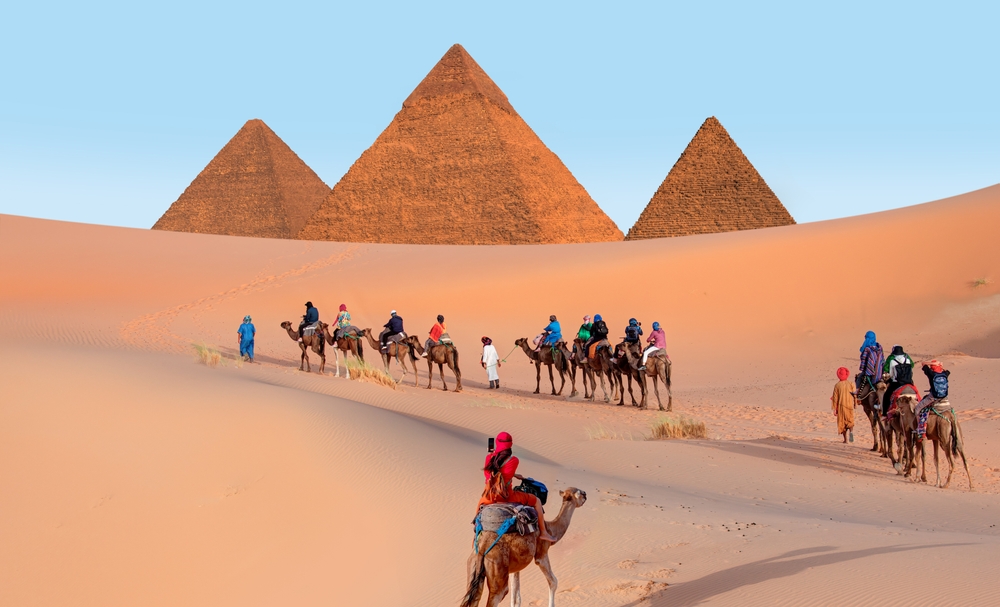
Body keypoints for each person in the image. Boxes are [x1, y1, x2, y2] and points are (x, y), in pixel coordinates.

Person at [478, 432, 557, 543]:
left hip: (489, 496)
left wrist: (492, 454)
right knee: (537, 501)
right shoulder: (514, 460)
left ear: (497, 443)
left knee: (478, 512)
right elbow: (505, 474)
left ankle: (475, 537)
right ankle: (544, 533)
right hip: (507, 496)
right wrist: (515, 475)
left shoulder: (489, 459)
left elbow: (494, 474)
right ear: (510, 444)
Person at [881, 345, 914, 416]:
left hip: (896, 383)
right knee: (916, 394)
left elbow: (891, 374)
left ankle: (884, 414)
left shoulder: (892, 361)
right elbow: (911, 370)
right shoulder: (907, 360)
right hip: (908, 382)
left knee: (886, 396)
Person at [831, 367, 856, 443]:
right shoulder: (851, 383)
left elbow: (835, 398)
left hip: (841, 406)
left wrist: (834, 408)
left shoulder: (837, 385)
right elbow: (855, 395)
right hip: (849, 405)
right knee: (850, 420)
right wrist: (855, 404)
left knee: (842, 422)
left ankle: (845, 439)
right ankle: (851, 432)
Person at [858, 330, 884, 398]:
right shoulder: (879, 347)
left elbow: (864, 360)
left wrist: (863, 369)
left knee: (859, 378)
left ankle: (857, 393)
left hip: (870, 372)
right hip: (880, 371)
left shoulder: (867, 349)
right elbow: (882, 359)